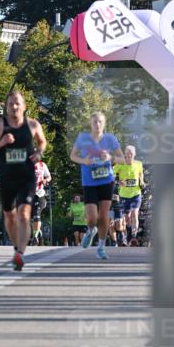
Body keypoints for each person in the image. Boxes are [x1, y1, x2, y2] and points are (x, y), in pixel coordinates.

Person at [0, 90, 46, 270]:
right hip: (6, 177)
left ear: (24, 106)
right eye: (10, 104)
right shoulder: (0, 125)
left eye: (17, 103)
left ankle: (20, 253)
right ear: (6, 107)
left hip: (26, 177)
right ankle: (17, 247)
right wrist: (1, 143)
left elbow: (42, 142)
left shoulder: (32, 125)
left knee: (24, 214)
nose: (14, 107)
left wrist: (39, 153)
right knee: (10, 217)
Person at [69, 111, 124, 261]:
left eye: (100, 122)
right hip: (89, 181)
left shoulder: (110, 139)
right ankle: (91, 230)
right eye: (95, 122)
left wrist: (110, 157)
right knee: (92, 218)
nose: (97, 124)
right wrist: (84, 161)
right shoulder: (83, 138)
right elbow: (73, 155)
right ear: (90, 123)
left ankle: (101, 247)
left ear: (104, 123)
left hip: (107, 181)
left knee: (104, 215)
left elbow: (122, 159)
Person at [114, 145, 144, 243]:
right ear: (125, 154)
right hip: (124, 195)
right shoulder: (120, 164)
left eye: (131, 153)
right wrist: (118, 182)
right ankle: (128, 231)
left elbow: (140, 173)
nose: (129, 155)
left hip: (136, 193)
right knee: (127, 217)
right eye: (127, 153)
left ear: (134, 154)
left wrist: (141, 181)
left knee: (135, 214)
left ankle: (134, 234)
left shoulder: (139, 164)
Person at [29, 158, 52, 246]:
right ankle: (38, 231)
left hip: (39, 195)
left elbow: (49, 177)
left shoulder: (42, 165)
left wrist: (46, 180)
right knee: (29, 218)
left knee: (36, 215)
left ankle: (35, 237)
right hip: (28, 195)